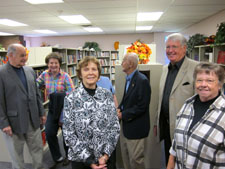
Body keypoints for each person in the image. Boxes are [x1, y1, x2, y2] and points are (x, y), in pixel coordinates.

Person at [63, 56, 120, 169]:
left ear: (99, 74)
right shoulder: (71, 98)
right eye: (86, 69)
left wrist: (105, 156)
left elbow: (115, 126)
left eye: (94, 69)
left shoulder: (107, 95)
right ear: (80, 74)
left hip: (106, 158)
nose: (90, 73)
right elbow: (69, 133)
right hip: (81, 160)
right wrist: (89, 160)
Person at [167, 62, 225, 169]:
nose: (203, 84)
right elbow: (175, 147)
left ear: (220, 84)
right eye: (199, 80)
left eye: (209, 81)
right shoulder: (187, 105)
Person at [154, 33, 198, 165]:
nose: (170, 50)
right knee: (169, 158)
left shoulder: (196, 68)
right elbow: (161, 97)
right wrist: (157, 121)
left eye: (175, 47)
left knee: (185, 162)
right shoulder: (165, 69)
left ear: (184, 48)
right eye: (168, 47)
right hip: (167, 125)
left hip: (187, 128)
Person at [0, 43, 46, 169]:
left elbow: (36, 94)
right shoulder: (1, 73)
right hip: (12, 123)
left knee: (37, 150)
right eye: (22, 55)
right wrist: (4, 124)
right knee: (17, 155)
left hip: (33, 119)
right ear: (10, 55)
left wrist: (42, 113)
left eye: (25, 55)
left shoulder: (29, 70)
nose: (25, 58)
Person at [36, 52, 75, 167]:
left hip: (65, 107)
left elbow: (72, 93)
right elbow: (36, 84)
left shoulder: (65, 76)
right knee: (49, 133)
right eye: (51, 63)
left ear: (59, 64)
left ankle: (68, 155)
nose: (53, 65)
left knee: (66, 135)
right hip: (52, 107)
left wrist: (60, 95)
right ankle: (57, 156)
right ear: (47, 64)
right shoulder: (44, 75)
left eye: (55, 63)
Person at [117, 52, 151, 169]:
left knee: (136, 160)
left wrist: (123, 114)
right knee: (126, 158)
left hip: (136, 128)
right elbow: (127, 99)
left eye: (123, 61)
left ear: (130, 64)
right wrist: (119, 108)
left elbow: (142, 106)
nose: (121, 63)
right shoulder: (128, 78)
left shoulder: (142, 81)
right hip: (126, 126)